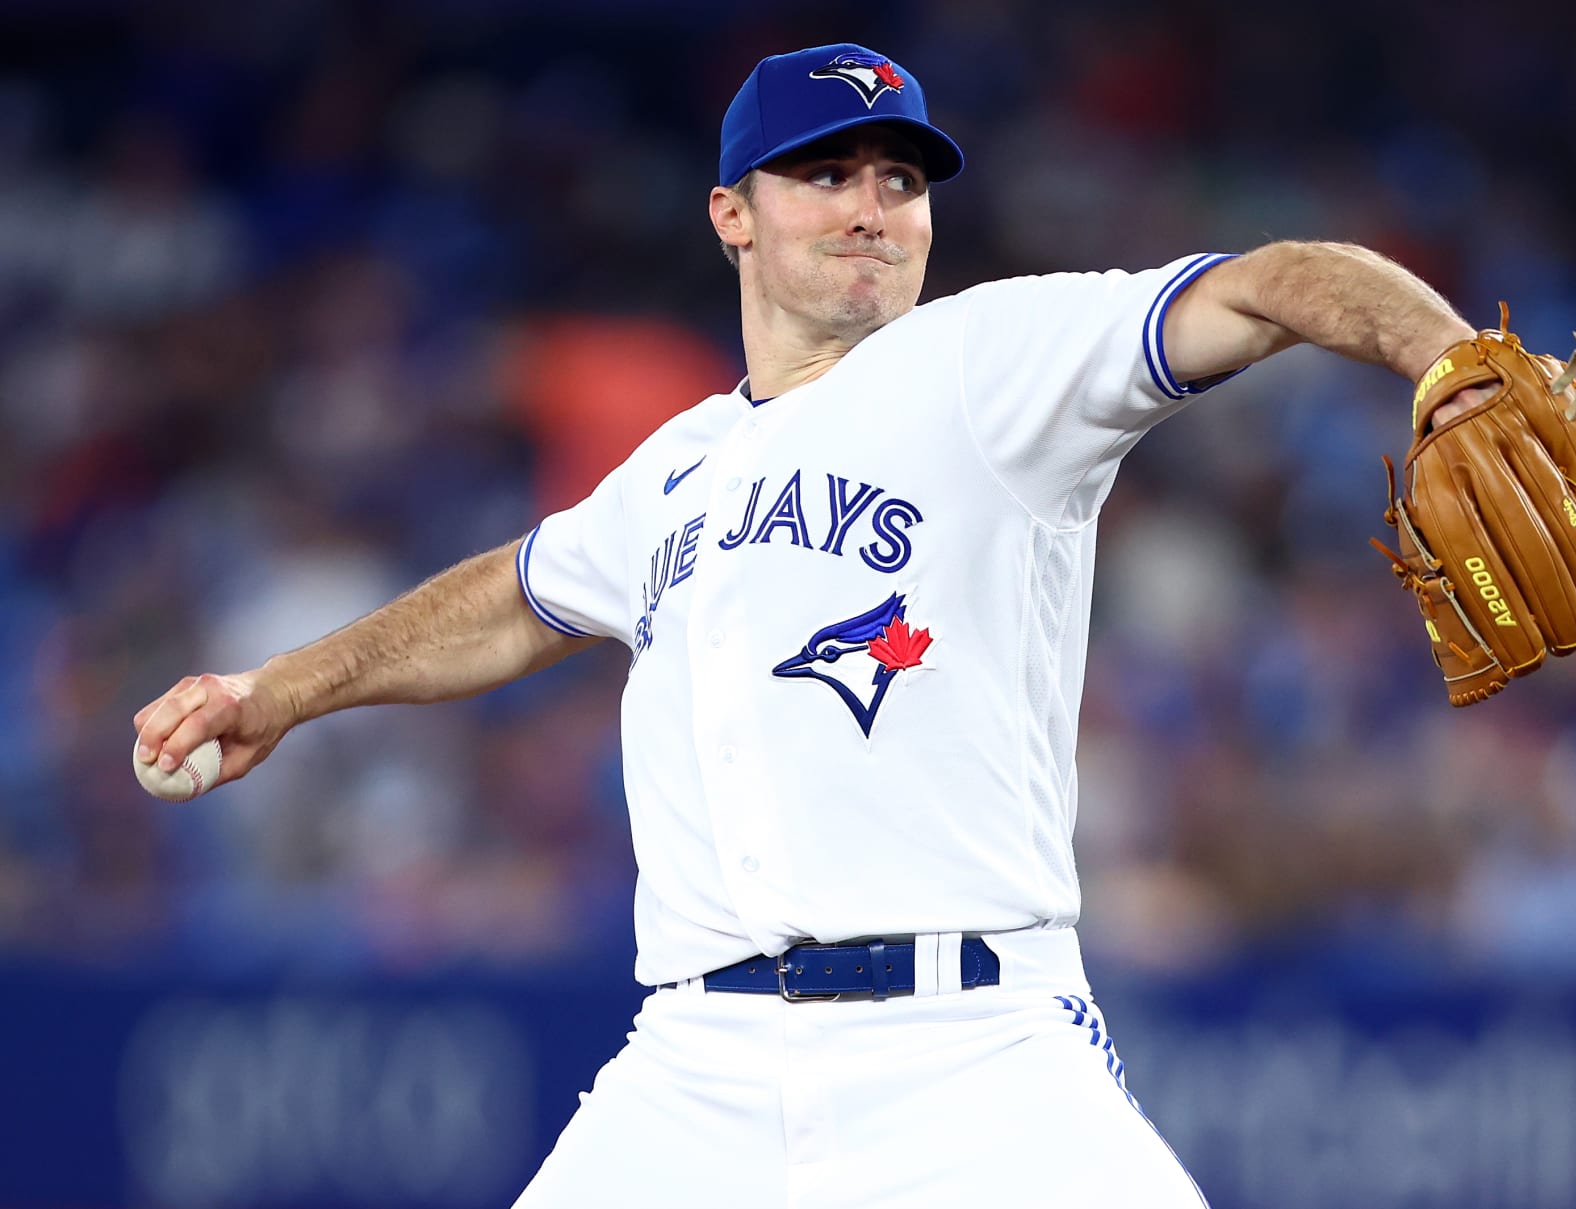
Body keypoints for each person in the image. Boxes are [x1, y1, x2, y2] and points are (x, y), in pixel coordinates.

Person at [133, 42, 1496, 1208]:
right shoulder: (671, 470)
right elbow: (512, 599)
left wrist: (1446, 359)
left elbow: (1270, 283)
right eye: (826, 174)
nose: (871, 208)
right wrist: (281, 691)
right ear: (732, 212)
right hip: (695, 1063)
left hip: (972, 1045)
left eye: (899, 180)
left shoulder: (992, 359)